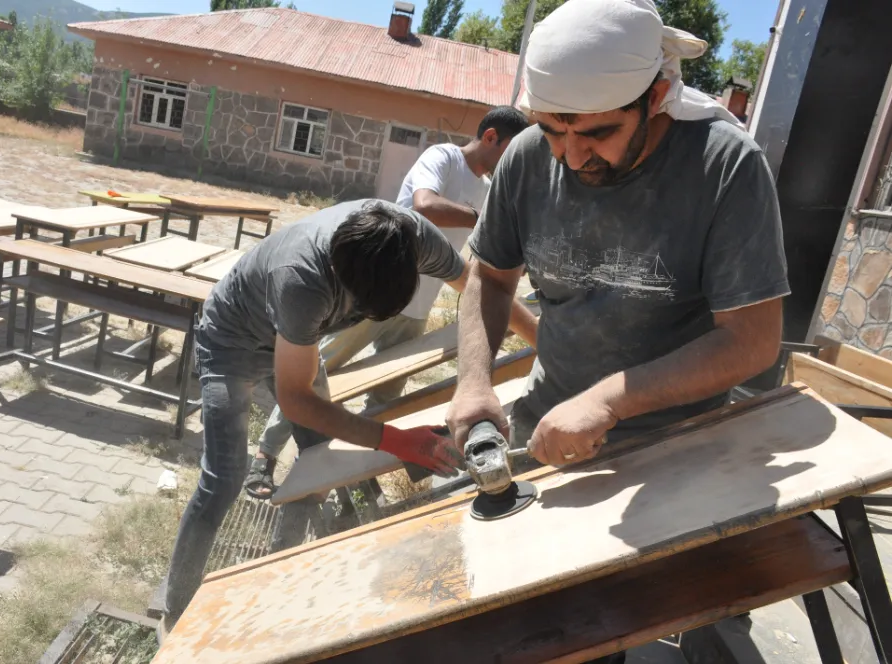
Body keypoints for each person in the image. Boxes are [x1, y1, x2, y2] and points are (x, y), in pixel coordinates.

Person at [446, 1, 788, 661]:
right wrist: (472, 381)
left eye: (597, 134)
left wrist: (610, 400)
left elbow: (752, 339)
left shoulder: (726, 169)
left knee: (685, 630)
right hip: (550, 441)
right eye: (553, 130)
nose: (571, 158)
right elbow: (489, 278)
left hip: (681, 452)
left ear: (657, 96)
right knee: (540, 634)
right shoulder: (525, 159)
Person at [160, 199, 538, 637]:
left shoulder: (410, 236)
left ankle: (289, 561)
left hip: (296, 340)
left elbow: (479, 286)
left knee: (320, 458)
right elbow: (296, 400)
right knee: (225, 476)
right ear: (340, 274)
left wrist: (544, 345)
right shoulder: (302, 282)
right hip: (233, 342)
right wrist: (393, 439)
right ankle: (177, 610)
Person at [243, 106, 532, 499]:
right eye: (513, 149)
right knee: (313, 378)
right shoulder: (443, 157)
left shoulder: (486, 187)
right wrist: (482, 217)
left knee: (385, 399)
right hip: (372, 293)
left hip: (413, 309)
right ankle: (265, 456)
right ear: (491, 137)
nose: (514, 161)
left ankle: (355, 474)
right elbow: (424, 205)